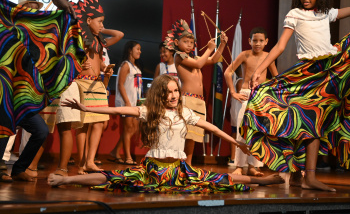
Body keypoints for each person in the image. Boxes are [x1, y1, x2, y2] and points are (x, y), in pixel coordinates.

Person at [47, 74, 285, 192]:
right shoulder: (149, 110)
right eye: (169, 92)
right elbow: (118, 108)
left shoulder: (185, 113)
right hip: (153, 169)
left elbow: (211, 127)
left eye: (176, 91)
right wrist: (86, 107)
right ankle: (67, 179)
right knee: (114, 178)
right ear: (160, 94)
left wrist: (236, 142)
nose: (173, 96)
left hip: (179, 170)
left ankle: (263, 179)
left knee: (219, 179)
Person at [242, 0, 350, 192]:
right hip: (305, 74)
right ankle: (302, 176)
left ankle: (305, 177)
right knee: (302, 122)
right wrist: (259, 70)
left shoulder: (327, 13)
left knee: (313, 122)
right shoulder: (294, 14)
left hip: (326, 72)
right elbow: (280, 46)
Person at [0, 0, 85, 182]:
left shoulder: (26, 30)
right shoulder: (6, 19)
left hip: (18, 94)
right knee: (4, 122)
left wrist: (57, 0)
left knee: (40, 130)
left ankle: (19, 169)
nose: (32, 10)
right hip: (4, 93)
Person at [54, 0, 124, 176]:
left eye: (103, 22)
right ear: (88, 20)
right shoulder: (81, 38)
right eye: (100, 22)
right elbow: (73, 57)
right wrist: (80, 64)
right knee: (83, 124)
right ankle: (81, 163)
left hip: (97, 84)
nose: (102, 25)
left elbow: (117, 37)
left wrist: (104, 68)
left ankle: (90, 160)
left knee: (99, 122)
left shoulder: (99, 41)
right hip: (82, 83)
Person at [165, 19, 226, 165]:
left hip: (199, 101)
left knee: (193, 135)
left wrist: (222, 44)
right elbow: (200, 63)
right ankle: (177, 162)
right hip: (188, 99)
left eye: (191, 43)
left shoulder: (195, 57)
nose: (189, 45)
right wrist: (210, 48)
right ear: (177, 43)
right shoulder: (178, 56)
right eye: (185, 41)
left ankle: (188, 163)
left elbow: (213, 59)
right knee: (185, 133)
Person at [224, 27, 278, 175]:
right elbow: (228, 72)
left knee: (258, 131)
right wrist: (233, 92)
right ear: (249, 41)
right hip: (246, 95)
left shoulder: (269, 56)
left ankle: (254, 166)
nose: (258, 43)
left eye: (261, 40)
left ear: (266, 42)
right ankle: (239, 166)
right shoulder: (244, 55)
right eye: (255, 40)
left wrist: (271, 95)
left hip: (261, 96)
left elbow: (276, 78)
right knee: (243, 129)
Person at [109, 41, 142, 165]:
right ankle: (128, 157)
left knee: (134, 128)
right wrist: (127, 102)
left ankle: (115, 151)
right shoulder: (125, 65)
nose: (140, 51)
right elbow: (120, 84)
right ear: (130, 50)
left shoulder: (135, 67)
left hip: (135, 103)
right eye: (137, 49)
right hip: (127, 103)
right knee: (128, 129)